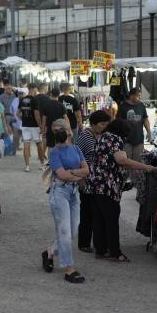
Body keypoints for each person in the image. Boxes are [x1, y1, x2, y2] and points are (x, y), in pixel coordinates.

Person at [89, 118, 157, 263]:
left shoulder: (103, 136)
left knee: (99, 219)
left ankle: (101, 250)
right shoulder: (115, 139)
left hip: (96, 183)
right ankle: (115, 253)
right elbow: (121, 160)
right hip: (107, 185)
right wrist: (145, 167)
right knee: (112, 219)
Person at [43, 121, 90, 283]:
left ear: (69, 132)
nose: (59, 133)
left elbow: (87, 170)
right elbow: (62, 175)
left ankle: (50, 251)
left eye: (61, 130)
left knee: (73, 230)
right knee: (64, 231)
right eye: (55, 131)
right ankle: (69, 269)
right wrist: (78, 174)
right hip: (60, 192)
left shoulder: (76, 149)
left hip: (74, 192)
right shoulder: (54, 152)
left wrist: (72, 173)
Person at [75, 110, 110, 254]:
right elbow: (78, 158)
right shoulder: (85, 136)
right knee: (87, 213)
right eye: (102, 124)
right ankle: (84, 243)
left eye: (105, 124)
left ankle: (99, 243)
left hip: (99, 180)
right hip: (87, 180)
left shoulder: (103, 136)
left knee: (98, 212)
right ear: (94, 124)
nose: (104, 126)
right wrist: (81, 180)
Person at [115, 88, 151, 171]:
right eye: (138, 96)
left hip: (138, 139)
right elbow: (118, 122)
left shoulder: (141, 105)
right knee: (126, 163)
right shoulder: (123, 107)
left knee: (138, 163)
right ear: (131, 96)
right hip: (126, 140)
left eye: (140, 96)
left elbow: (145, 119)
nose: (139, 98)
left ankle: (136, 182)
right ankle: (126, 181)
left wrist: (149, 132)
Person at [19, 83, 46, 172]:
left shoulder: (22, 99)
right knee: (39, 144)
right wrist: (41, 126)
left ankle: (27, 166)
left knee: (26, 145)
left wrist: (23, 118)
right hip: (34, 125)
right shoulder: (35, 100)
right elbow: (36, 114)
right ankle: (42, 164)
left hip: (25, 125)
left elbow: (17, 113)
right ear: (34, 89)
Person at [0, 82, 20, 151]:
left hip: (15, 116)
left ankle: (15, 147)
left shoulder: (15, 95)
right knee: (7, 132)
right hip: (6, 115)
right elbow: (0, 108)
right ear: (5, 88)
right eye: (8, 88)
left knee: (16, 132)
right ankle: (8, 147)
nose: (9, 90)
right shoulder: (2, 96)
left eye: (10, 88)